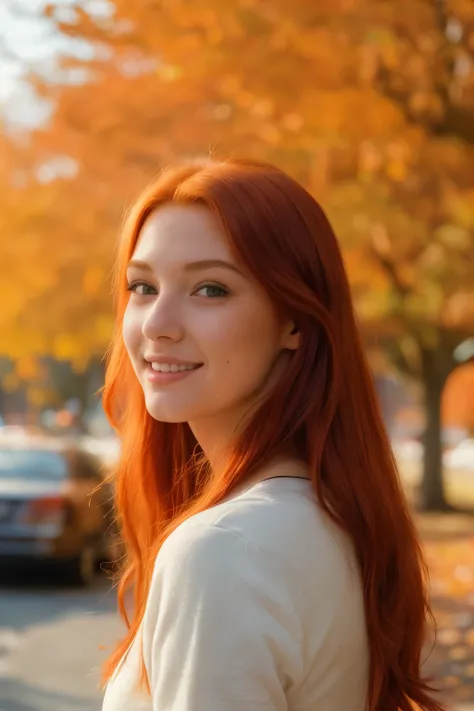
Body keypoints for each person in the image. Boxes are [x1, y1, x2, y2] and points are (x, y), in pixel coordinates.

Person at [100, 158, 444, 711]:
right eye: (143, 286)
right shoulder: (330, 515)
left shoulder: (223, 551)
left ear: (294, 321)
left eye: (210, 289)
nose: (158, 323)